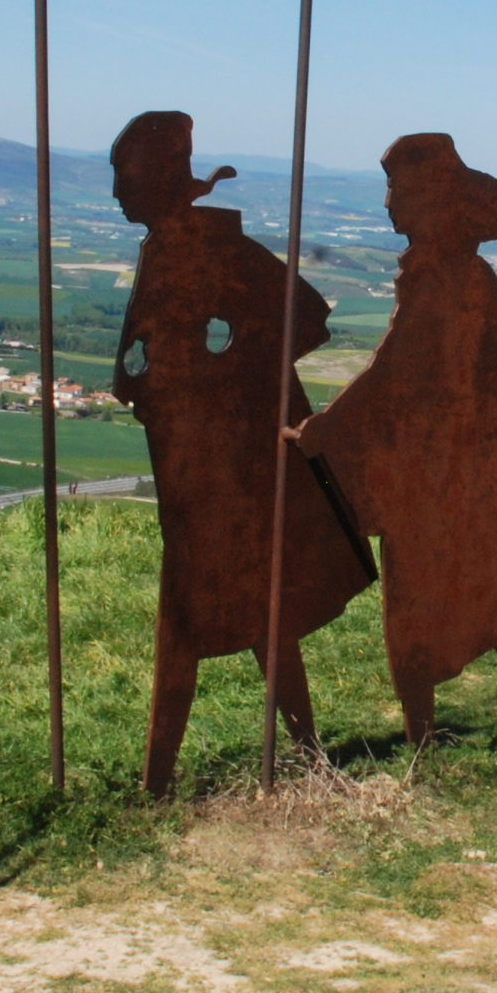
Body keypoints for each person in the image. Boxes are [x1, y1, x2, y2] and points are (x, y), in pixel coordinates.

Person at [295, 134, 497, 742]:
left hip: (429, 469)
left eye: (398, 190)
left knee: (414, 598)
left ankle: (422, 738)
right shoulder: (465, 271)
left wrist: (329, 424)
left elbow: (392, 364)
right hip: (465, 464)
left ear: (432, 201)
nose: (388, 203)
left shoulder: (438, 277)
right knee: (480, 580)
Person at [107, 111, 371, 796]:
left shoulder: (215, 246)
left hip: (229, 467)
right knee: (259, 610)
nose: (115, 193)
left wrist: (227, 381)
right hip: (188, 457)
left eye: (125, 177)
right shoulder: (164, 248)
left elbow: (305, 316)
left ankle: (158, 784)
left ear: (161, 179)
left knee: (200, 613)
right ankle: (304, 754)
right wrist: (150, 384)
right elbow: (141, 353)